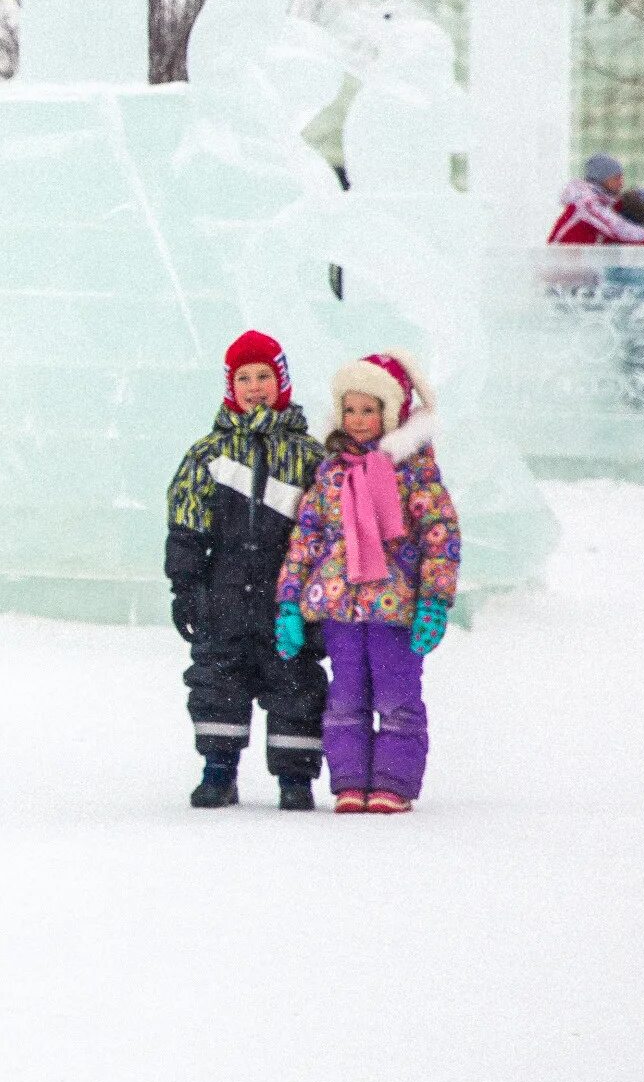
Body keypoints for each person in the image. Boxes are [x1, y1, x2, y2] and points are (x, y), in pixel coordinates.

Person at [275, 351, 461, 815]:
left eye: (369, 410)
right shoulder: (330, 472)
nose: (358, 420)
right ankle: (350, 781)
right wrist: (290, 600)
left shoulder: (413, 471)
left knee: (397, 696)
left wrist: (434, 600)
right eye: (350, 409)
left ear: (391, 413)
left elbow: (440, 537)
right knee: (345, 697)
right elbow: (307, 535)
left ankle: (394, 782)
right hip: (340, 607)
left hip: (396, 607)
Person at [163, 329, 328, 811]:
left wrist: (320, 597)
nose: (255, 387)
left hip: (287, 601)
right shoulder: (209, 454)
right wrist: (186, 587)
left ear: (282, 382)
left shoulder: (308, 456)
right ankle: (218, 770)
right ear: (230, 387)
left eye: (264, 377)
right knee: (218, 681)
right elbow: (187, 523)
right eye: (244, 378)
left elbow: (326, 533)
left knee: (295, 683)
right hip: (225, 597)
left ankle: (295, 778)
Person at [547, 153, 644, 247]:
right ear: (601, 178)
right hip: (561, 271)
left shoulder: (602, 203)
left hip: (581, 271)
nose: (621, 183)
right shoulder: (586, 204)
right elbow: (618, 228)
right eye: (616, 178)